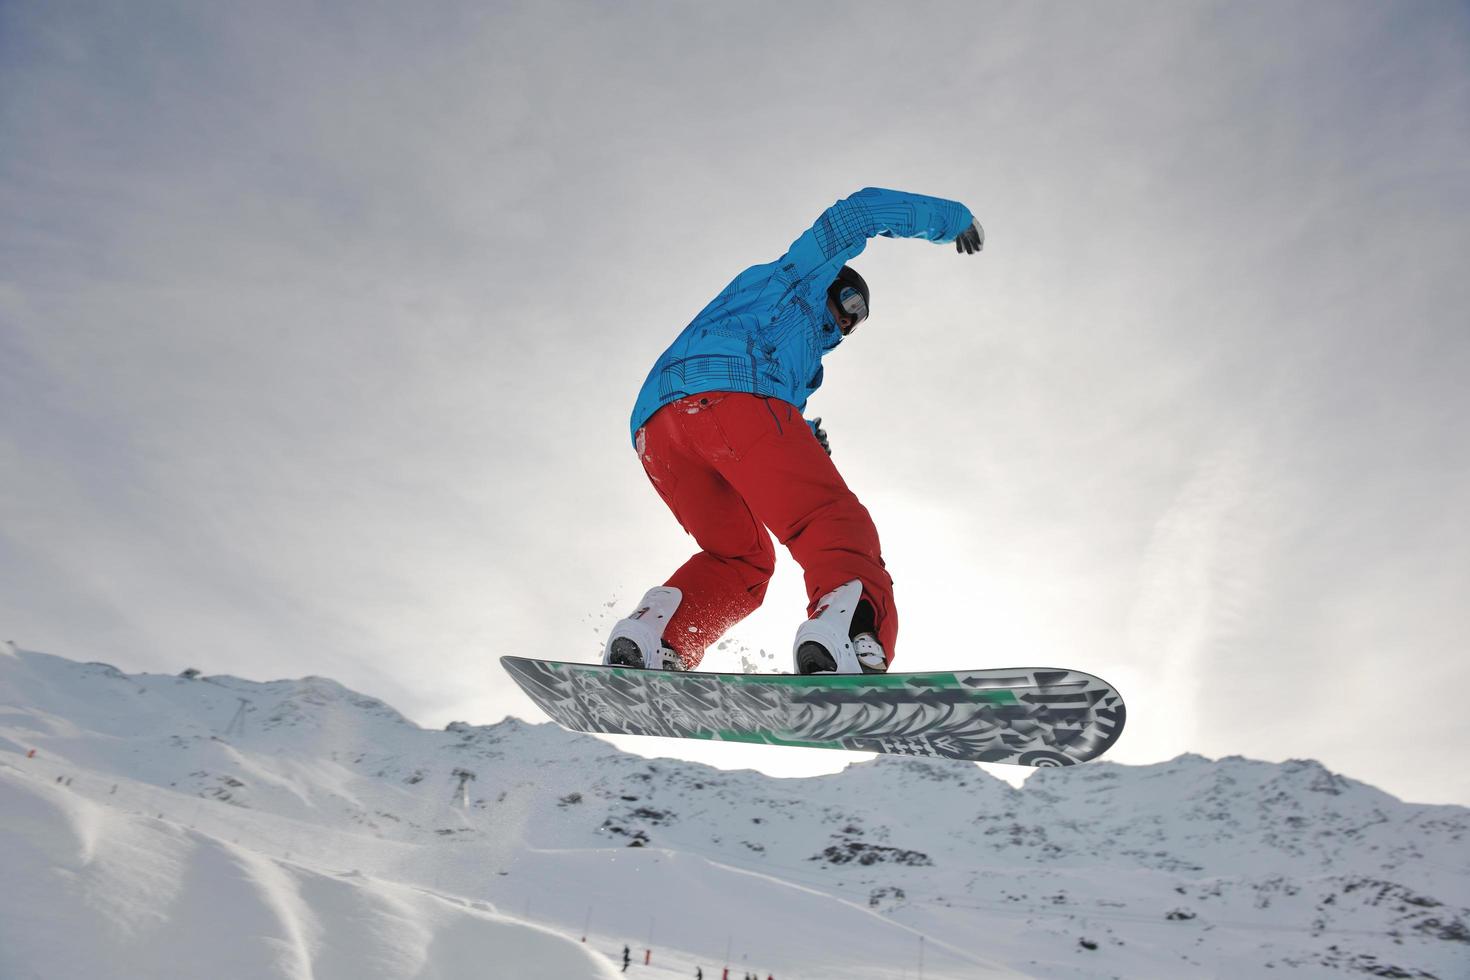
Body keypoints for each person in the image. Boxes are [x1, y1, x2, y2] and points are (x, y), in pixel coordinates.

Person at [605, 187, 982, 675]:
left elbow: (764, 422)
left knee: (741, 560)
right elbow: (858, 213)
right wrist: (952, 219)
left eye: (858, 320)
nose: (848, 320)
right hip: (733, 399)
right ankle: (848, 635)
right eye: (849, 301)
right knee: (830, 519)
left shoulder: (803, 364)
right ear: (831, 283)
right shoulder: (796, 278)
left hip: (657, 430)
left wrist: (803, 433)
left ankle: (655, 637)